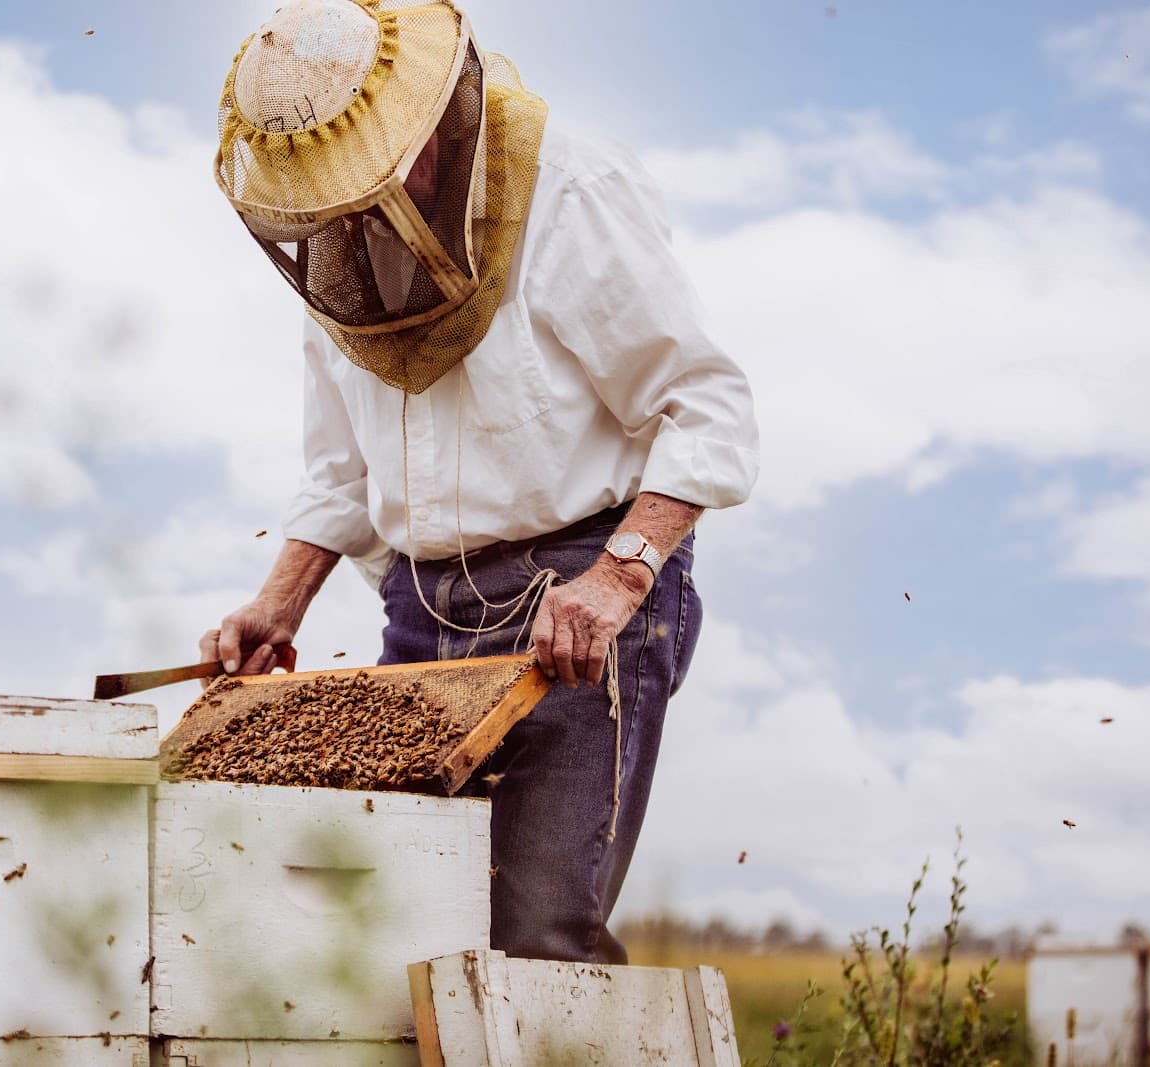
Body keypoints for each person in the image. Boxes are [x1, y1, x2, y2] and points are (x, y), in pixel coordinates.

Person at [201, 0, 760, 964]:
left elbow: (704, 407)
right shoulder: (334, 243)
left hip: (579, 601)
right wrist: (277, 600)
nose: (347, 204)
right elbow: (341, 466)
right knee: (397, 934)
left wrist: (620, 577)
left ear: (432, 116)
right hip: (420, 613)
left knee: (537, 937)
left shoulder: (570, 185)